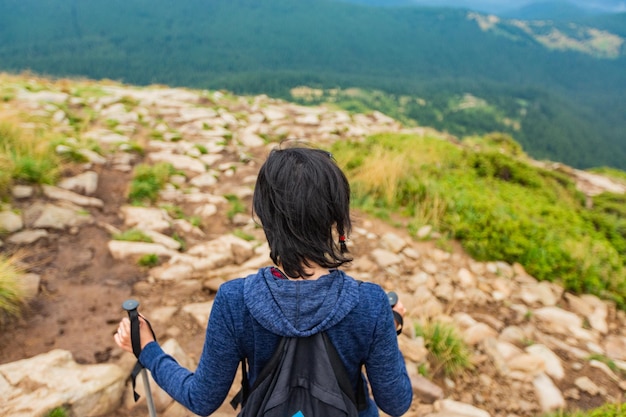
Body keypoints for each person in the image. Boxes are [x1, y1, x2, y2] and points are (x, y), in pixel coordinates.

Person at [114, 145, 413, 416]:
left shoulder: (235, 300)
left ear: (264, 217)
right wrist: (389, 325)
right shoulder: (369, 304)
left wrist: (148, 349)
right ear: (336, 220)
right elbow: (396, 403)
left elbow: (202, 399)